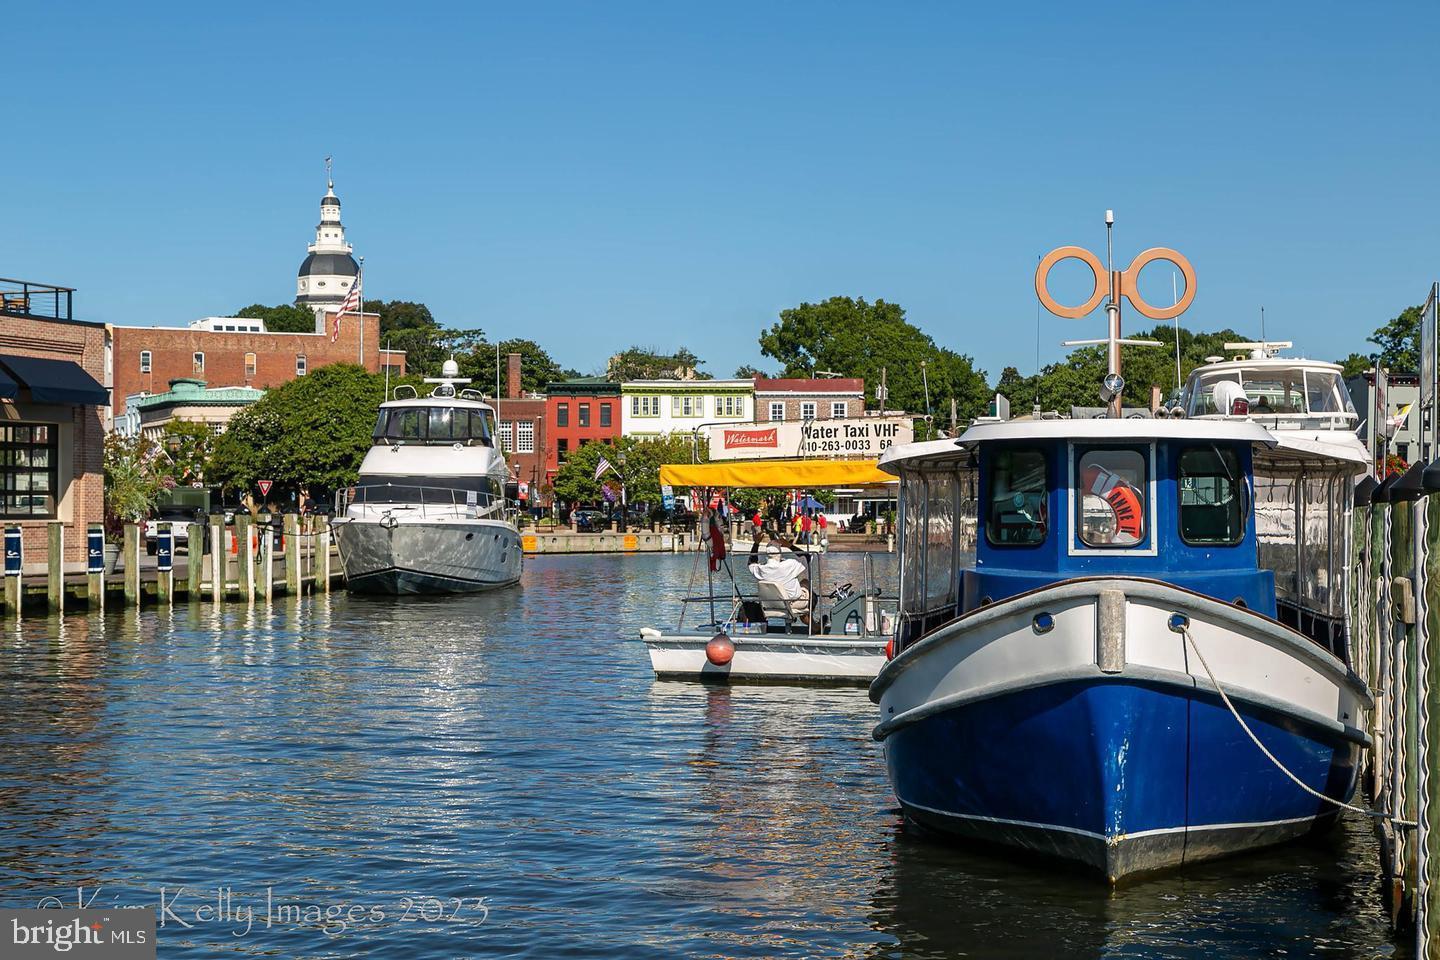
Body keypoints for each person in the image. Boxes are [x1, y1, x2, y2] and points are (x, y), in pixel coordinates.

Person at [748, 534, 810, 624]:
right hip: (793, 602)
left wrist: (756, 543)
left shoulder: (762, 569)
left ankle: (808, 622)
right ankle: (811, 624)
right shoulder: (790, 564)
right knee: (805, 582)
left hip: (770, 604)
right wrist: (789, 545)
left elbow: (751, 563)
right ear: (780, 552)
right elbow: (807, 557)